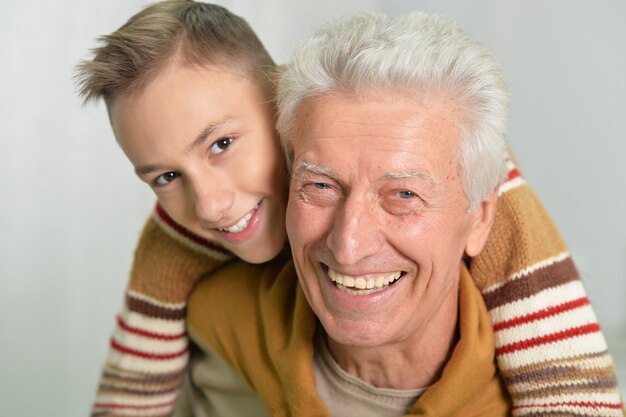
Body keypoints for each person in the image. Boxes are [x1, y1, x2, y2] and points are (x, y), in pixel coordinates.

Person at [74, 2, 622, 416]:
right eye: (166, 177)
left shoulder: (484, 179)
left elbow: (561, 348)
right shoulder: (183, 239)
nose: (212, 205)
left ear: (276, 96)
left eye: (221, 145)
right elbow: (140, 356)